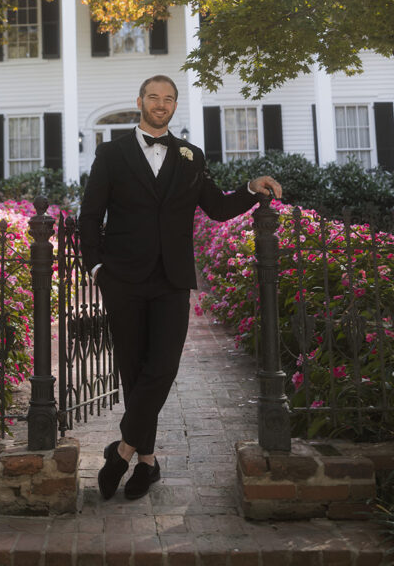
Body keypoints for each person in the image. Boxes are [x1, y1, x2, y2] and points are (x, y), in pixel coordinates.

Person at [78, 75, 282, 500]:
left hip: (172, 280)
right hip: (123, 278)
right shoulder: (111, 154)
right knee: (134, 372)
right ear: (140, 101)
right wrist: (97, 267)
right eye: (153, 97)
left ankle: (122, 451)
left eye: (168, 99)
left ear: (174, 106)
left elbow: (218, 207)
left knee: (163, 368)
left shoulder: (191, 157)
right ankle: (147, 464)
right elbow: (90, 215)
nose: (160, 104)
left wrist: (250, 188)